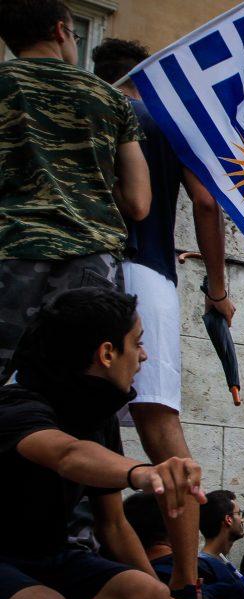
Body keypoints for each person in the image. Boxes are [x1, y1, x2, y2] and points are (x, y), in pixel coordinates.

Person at [0, 287, 228, 599]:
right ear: (107, 353)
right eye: (137, 344)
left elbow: (113, 523)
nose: (144, 356)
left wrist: (163, 595)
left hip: (48, 556)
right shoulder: (17, 404)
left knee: (146, 596)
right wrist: (144, 472)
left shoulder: (96, 412)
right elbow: (67, 454)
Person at [91, 37, 236, 599]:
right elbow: (206, 202)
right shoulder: (164, 120)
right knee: (162, 429)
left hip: (82, 270)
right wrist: (217, 290)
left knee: (81, 420)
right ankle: (186, 579)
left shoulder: (88, 108)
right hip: (146, 273)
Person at [0, 0, 150, 382]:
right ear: (60, 31)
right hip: (90, 259)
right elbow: (138, 202)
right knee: (78, 385)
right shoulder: (111, 99)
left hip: (11, 248)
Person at [198, 490, 244, 599]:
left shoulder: (222, 563)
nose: (242, 520)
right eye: (239, 514)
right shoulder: (203, 567)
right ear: (228, 519)